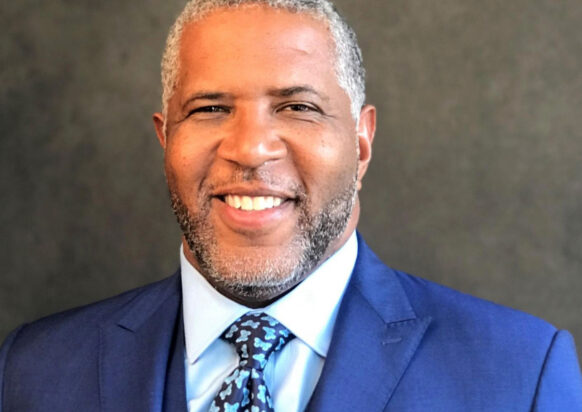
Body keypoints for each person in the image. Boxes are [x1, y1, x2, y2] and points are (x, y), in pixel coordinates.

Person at [1, 0, 581, 410]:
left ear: (360, 142)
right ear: (165, 138)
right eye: (209, 109)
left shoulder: (519, 374)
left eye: (298, 107)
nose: (250, 149)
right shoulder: (30, 372)